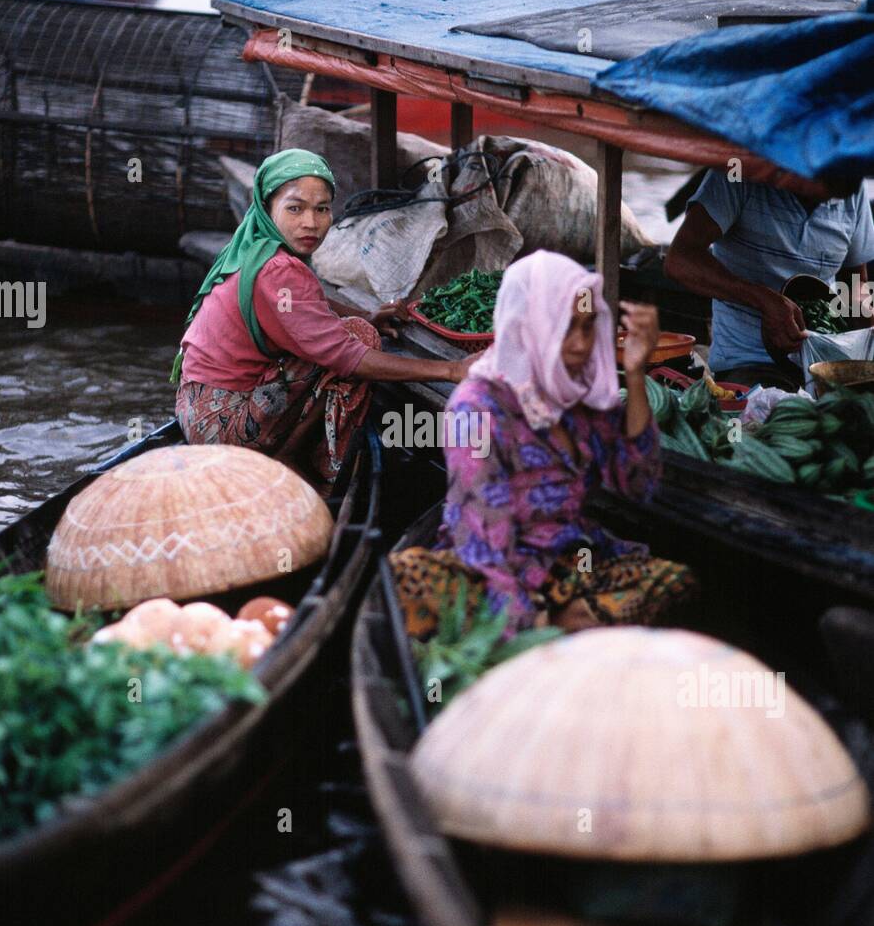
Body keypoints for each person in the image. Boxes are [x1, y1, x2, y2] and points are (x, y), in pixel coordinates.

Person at [391, 251, 697, 638]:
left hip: (568, 561)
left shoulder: (572, 394)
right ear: (527, 325)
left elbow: (636, 483)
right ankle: (561, 627)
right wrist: (530, 626)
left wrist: (635, 374)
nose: (582, 345)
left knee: (674, 581)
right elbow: (486, 543)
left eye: (589, 327)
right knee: (410, 580)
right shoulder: (479, 409)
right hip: (491, 569)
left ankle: (572, 623)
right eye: (566, 327)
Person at [173, 149, 470, 488]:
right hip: (224, 426)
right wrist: (452, 370)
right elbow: (347, 356)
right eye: (295, 208)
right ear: (269, 207)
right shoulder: (279, 270)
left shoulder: (252, 246)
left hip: (193, 407)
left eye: (322, 209)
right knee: (359, 337)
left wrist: (367, 313)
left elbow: (302, 305)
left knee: (356, 326)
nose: (310, 223)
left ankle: (287, 450)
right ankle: (291, 457)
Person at [664, 170, 874, 388]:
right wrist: (763, 300)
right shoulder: (738, 175)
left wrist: (868, 347)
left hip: (825, 358)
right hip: (752, 363)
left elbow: (855, 286)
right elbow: (680, 259)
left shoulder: (851, 189)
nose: (838, 195)